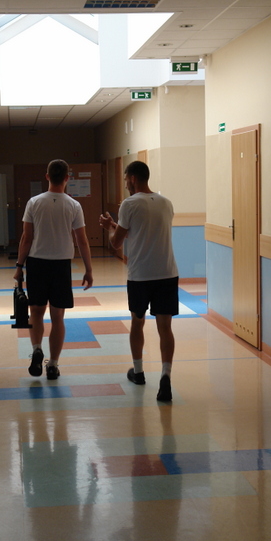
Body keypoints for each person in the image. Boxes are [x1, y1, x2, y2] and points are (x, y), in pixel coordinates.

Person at [99, 161, 178, 402]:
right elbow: (144, 232)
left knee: (137, 322)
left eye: (126, 180)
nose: (125, 184)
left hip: (140, 276)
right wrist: (116, 226)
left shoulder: (129, 204)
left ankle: (139, 371)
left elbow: (116, 243)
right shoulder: (166, 202)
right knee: (165, 327)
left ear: (133, 178)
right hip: (167, 273)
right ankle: (166, 376)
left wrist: (109, 228)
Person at [14, 159, 93, 379]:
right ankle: (53, 365)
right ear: (67, 178)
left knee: (36, 312)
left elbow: (26, 238)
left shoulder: (34, 203)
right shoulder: (74, 206)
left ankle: (37, 349)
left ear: (47, 176)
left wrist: (19, 266)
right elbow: (82, 240)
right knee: (57, 317)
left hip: (37, 264)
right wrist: (88, 269)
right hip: (61, 266)